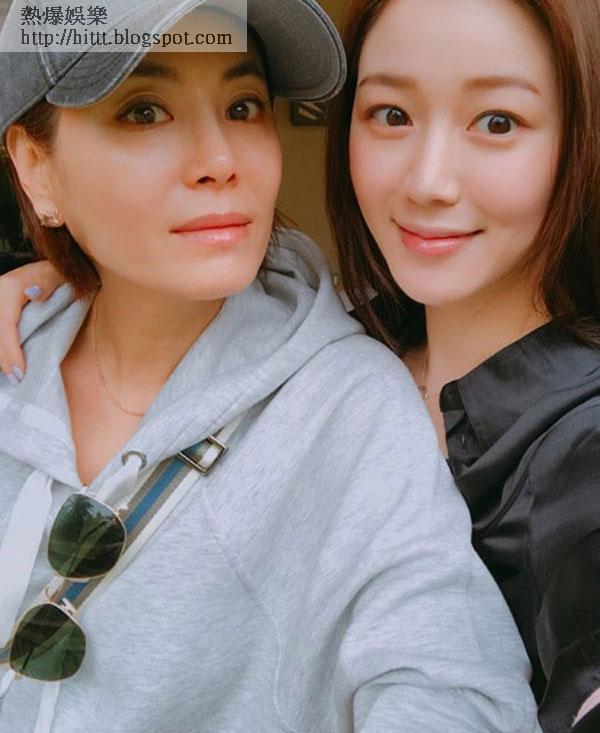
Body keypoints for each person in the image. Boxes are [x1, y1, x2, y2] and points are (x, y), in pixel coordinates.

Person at [0, 0, 541, 732]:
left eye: (244, 106)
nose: (221, 160)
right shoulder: (18, 346)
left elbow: (454, 686)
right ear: (37, 169)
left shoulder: (344, 405)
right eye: (144, 112)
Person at [323, 0, 600, 731]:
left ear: (583, 138)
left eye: (498, 122)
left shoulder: (583, 448)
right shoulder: (320, 346)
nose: (427, 181)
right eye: (391, 115)